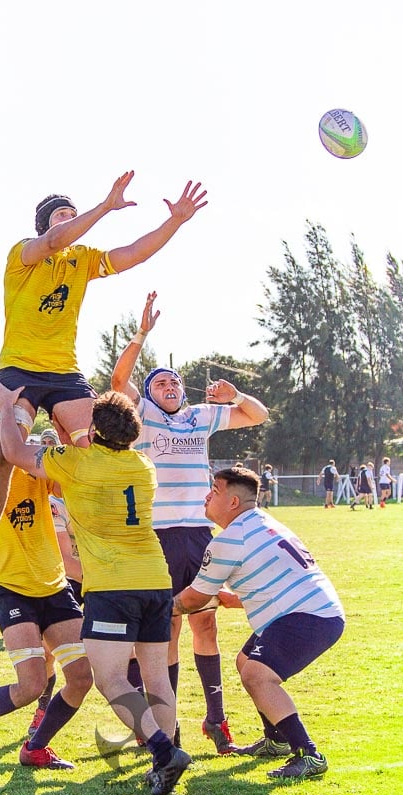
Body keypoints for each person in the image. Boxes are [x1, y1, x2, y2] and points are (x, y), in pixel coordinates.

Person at [0, 173, 208, 588]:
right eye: (63, 216)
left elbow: (133, 253)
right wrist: (103, 207)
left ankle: (100, 537)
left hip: (64, 372)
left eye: (73, 215)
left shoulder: (83, 260)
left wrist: (176, 223)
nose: (71, 221)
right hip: (20, 368)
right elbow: (53, 242)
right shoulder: (23, 254)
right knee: (6, 450)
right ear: (45, 224)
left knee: (103, 443)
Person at [0, 384, 192, 795]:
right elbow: (92, 447)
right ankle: (167, 755)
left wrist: (4, 409)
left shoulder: (76, 464)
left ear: (93, 428)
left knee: (112, 681)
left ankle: (163, 751)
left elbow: (14, 452)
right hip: (156, 580)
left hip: (112, 587)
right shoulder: (142, 465)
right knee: (157, 679)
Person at [111, 291, 269, 754]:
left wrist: (235, 395)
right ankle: (166, 728)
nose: (170, 386)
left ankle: (216, 723)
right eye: (161, 383)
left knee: (206, 626)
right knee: (168, 631)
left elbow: (257, 415)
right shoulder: (141, 415)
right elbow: (120, 378)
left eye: (176, 381)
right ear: (151, 393)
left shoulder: (200, 416)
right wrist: (142, 334)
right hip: (157, 537)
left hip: (199, 534)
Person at [0, 412, 93, 774]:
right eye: (4, 425)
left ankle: (36, 747)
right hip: (12, 588)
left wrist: (63, 437)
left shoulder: (32, 468)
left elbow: (66, 482)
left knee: (82, 677)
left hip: (55, 587)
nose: (17, 430)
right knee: (31, 685)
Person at [172, 467, 345, 781]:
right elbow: (275, 578)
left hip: (307, 616)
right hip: (314, 610)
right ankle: (276, 740)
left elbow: (194, 599)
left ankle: (309, 754)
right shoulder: (265, 522)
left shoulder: (228, 540)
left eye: (215, 489)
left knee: (257, 675)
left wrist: (156, 610)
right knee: (245, 661)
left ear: (233, 501)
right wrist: (231, 599)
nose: (207, 496)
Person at [27, 427, 84, 738]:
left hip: (97, 577)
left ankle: (144, 725)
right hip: (69, 582)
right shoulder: (51, 503)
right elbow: (67, 562)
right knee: (50, 653)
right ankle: (42, 709)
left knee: (124, 649)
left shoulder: (90, 495)